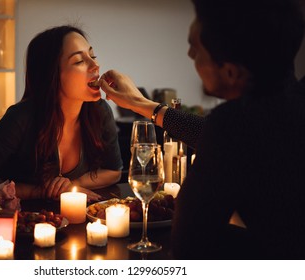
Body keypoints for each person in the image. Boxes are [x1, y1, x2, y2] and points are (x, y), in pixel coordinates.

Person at [99, 0, 305, 259]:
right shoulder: (288, 104)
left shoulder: (233, 125)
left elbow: (191, 244)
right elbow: (212, 132)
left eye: (195, 49)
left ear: (230, 72)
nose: (189, 55)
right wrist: (141, 104)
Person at [0, 25, 123, 202]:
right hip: (20, 223)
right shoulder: (20, 118)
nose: (95, 65)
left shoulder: (100, 111)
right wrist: (40, 191)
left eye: (92, 56)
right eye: (79, 61)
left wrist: (70, 185)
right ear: (52, 74)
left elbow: (114, 171)